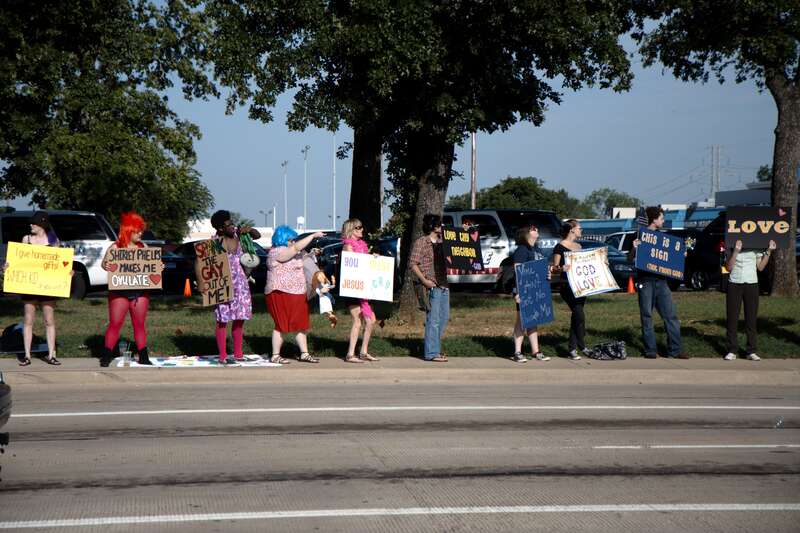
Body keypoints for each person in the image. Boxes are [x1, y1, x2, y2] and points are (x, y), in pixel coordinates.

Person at [630, 206, 689, 359]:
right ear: (654, 219)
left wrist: (681, 254)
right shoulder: (640, 236)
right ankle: (651, 350)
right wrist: (634, 249)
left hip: (662, 282)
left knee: (670, 316)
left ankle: (675, 350)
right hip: (645, 281)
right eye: (662, 218)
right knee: (647, 315)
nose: (663, 221)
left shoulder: (665, 240)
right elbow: (629, 260)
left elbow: (670, 259)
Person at [5, 211, 64, 366]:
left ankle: (52, 354)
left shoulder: (53, 241)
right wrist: (8, 267)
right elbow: (19, 260)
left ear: (42, 224)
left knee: (49, 319)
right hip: (29, 285)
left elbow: (60, 264)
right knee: (28, 319)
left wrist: (67, 272)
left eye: (34, 223)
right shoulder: (27, 239)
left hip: (47, 286)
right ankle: (27, 355)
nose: (31, 225)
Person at [99, 212, 155, 367]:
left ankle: (143, 355)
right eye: (138, 230)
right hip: (119, 292)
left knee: (139, 324)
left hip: (140, 292)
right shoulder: (115, 247)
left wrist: (158, 267)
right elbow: (104, 264)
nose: (141, 233)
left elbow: (152, 267)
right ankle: (106, 355)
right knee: (115, 324)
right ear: (129, 230)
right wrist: (107, 266)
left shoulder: (144, 247)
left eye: (141, 230)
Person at [208, 210, 261, 365]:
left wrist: (249, 230)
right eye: (228, 224)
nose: (232, 225)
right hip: (222, 283)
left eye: (232, 222)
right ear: (220, 229)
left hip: (241, 282)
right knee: (222, 319)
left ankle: (238, 353)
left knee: (240, 318)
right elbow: (208, 264)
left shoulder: (239, 236)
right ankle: (223, 355)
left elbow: (257, 235)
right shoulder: (215, 242)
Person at [265, 225, 324, 364]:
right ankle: (275, 355)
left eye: (294, 240)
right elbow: (295, 249)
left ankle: (304, 353)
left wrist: (311, 254)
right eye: (291, 239)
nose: (293, 242)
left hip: (297, 293)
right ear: (283, 239)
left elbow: (301, 258)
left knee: (301, 324)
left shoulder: (292, 251)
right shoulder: (276, 252)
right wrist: (312, 236)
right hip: (280, 292)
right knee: (282, 325)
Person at [723, 238, 776, 361]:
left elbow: (761, 267)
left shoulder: (756, 246)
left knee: (751, 319)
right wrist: (736, 251)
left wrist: (769, 251)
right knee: (732, 318)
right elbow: (729, 268)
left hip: (751, 284)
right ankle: (732, 350)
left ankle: (751, 351)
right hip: (734, 284)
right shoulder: (731, 245)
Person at [409, 214, 449, 362]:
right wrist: (424, 280)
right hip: (432, 284)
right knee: (433, 319)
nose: (442, 226)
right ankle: (431, 353)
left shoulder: (443, 241)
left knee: (443, 318)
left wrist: (464, 232)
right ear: (433, 226)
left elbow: (459, 247)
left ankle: (435, 349)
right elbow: (413, 263)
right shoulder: (422, 242)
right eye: (439, 224)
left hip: (444, 284)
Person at [511, 225, 551, 363]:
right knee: (521, 321)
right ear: (526, 233)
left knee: (534, 320)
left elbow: (541, 268)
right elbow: (518, 271)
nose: (537, 230)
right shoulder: (522, 250)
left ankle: (536, 351)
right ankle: (517, 352)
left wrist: (548, 273)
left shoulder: (537, 250)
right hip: (524, 290)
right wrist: (519, 293)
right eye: (533, 228)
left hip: (536, 289)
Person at [341, 218, 379, 363]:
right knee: (357, 321)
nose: (362, 229)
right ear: (351, 230)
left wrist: (373, 258)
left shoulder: (362, 246)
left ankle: (363, 351)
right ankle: (350, 354)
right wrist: (367, 259)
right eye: (359, 227)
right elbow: (354, 266)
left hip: (363, 289)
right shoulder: (348, 246)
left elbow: (364, 264)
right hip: (353, 289)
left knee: (371, 321)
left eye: (362, 227)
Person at [551, 219, 589, 360]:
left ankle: (572, 349)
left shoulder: (579, 246)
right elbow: (554, 269)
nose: (581, 230)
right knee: (579, 314)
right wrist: (561, 268)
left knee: (576, 316)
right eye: (580, 228)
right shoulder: (559, 247)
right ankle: (581, 345)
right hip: (566, 285)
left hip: (581, 286)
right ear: (572, 229)